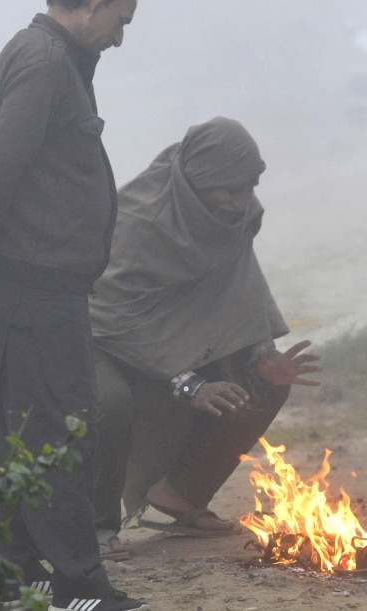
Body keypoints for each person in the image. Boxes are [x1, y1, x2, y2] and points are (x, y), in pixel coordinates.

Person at [0, 0, 148, 611]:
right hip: (35, 291)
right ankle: (77, 585)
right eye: (121, 18)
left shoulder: (42, 57)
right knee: (59, 437)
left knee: (26, 438)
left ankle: (13, 577)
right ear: (93, 3)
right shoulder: (45, 61)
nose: (120, 35)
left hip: (32, 288)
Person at [87, 117, 322, 559]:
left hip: (170, 345)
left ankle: (179, 494)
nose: (240, 202)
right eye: (229, 190)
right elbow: (113, 318)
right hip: (102, 342)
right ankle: (96, 526)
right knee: (110, 404)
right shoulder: (139, 224)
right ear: (196, 183)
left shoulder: (234, 214)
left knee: (262, 387)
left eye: (248, 188)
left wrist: (259, 353)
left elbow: (237, 289)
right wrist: (189, 384)